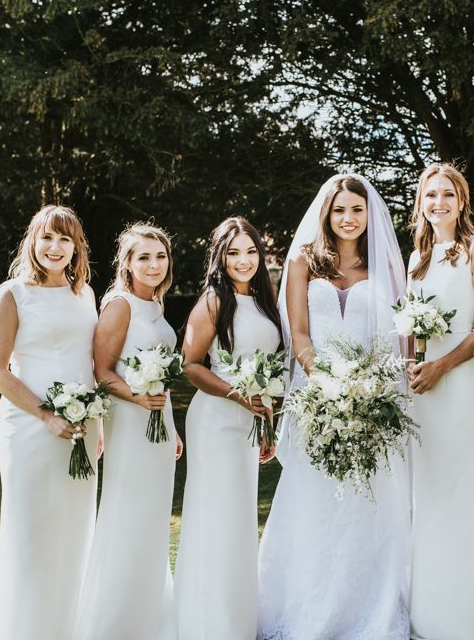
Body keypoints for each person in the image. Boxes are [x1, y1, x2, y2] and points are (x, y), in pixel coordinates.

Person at [258, 174, 411, 640]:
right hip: (316, 398)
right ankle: (303, 605)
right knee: (313, 502)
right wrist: (325, 381)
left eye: (357, 211)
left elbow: (399, 334)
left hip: (373, 398)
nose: (348, 219)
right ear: (326, 214)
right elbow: (298, 334)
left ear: (370, 216)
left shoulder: (383, 262)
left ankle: (368, 609)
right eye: (340, 210)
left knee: (370, 505)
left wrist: (369, 388)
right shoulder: (303, 262)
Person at [0, 205, 99, 640]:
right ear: (32, 241)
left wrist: (96, 426)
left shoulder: (84, 294)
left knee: (74, 533)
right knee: (32, 534)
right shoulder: (12, 294)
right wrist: (46, 415)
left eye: (65, 239)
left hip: (82, 432)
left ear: (76, 247)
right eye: (47, 237)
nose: (56, 247)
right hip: (30, 427)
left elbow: (89, 360)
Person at [407, 164, 474, 640]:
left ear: (462, 201)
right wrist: (413, 364)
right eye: (431, 194)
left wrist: (442, 366)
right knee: (426, 495)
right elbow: (409, 325)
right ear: (421, 202)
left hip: (461, 385)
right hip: (421, 389)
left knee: (460, 487)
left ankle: (466, 616)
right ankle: (428, 610)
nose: (439, 202)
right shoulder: (417, 258)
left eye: (448, 194)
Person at [172, 217, 281, 639]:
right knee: (215, 518)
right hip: (216, 421)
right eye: (234, 252)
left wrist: (267, 422)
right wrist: (238, 395)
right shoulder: (214, 301)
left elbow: (268, 370)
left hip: (252, 423)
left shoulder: (264, 300)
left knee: (239, 521)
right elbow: (190, 365)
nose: (244, 260)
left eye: (250, 251)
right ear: (220, 256)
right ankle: (208, 624)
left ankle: (236, 620)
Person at [74, 223, 182, 640]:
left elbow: (161, 374)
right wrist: (138, 397)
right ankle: (116, 623)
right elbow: (101, 372)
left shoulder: (155, 303)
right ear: (128, 264)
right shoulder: (120, 305)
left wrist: (170, 426)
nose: (154, 265)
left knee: (153, 519)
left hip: (157, 422)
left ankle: (149, 614)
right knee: (128, 514)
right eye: (144, 257)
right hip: (130, 422)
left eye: (160, 257)